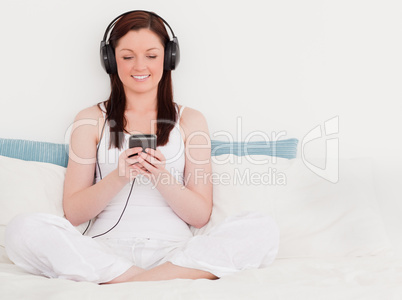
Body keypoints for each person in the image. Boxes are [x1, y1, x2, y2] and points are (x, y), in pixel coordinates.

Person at [5, 10, 279, 284]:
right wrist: (120, 176)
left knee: (262, 228)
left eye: (151, 55)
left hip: (175, 253)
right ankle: (153, 281)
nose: (139, 67)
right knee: (21, 229)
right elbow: (74, 212)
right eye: (127, 57)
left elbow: (199, 216)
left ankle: (132, 284)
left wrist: (160, 176)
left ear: (169, 58)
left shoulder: (191, 120)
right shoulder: (90, 119)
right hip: (104, 252)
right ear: (110, 60)